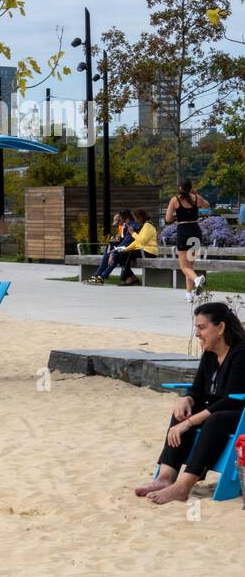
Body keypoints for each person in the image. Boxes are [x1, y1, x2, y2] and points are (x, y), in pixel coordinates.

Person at [137, 302, 245, 504]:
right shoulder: (210, 354)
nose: (197, 333)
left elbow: (230, 400)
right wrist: (185, 399)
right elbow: (197, 391)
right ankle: (165, 478)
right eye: (196, 328)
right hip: (220, 411)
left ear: (221, 327)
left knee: (213, 420)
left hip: (239, 413)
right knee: (183, 412)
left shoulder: (241, 354)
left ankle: (183, 487)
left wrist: (190, 422)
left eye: (202, 327)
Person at [166, 180, 211, 301]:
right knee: (190, 265)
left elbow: (168, 218)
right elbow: (207, 205)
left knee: (184, 266)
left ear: (180, 188)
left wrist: (177, 215)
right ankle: (188, 294)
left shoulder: (175, 200)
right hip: (195, 231)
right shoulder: (196, 198)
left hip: (183, 231)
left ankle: (197, 279)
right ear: (191, 188)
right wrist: (196, 195)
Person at [112, 209, 158, 286]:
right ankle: (131, 277)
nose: (135, 219)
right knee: (121, 254)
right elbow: (136, 242)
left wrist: (132, 233)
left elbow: (142, 241)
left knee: (124, 255)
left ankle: (129, 278)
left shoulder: (148, 226)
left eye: (135, 217)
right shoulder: (143, 226)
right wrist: (123, 249)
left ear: (140, 218)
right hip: (143, 250)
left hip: (149, 251)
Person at [88, 210, 135, 284]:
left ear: (123, 218)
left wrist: (114, 252)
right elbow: (123, 240)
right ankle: (97, 276)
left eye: (120, 220)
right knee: (107, 255)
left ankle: (101, 277)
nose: (118, 224)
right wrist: (116, 241)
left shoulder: (129, 226)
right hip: (125, 248)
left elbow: (127, 242)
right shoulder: (124, 226)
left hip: (131, 250)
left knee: (114, 256)